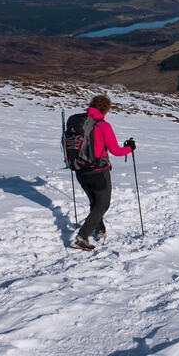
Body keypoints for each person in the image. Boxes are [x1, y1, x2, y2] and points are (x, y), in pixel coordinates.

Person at [73, 94, 135, 250]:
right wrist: (130, 147)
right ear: (106, 109)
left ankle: (100, 230)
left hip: (80, 170)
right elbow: (115, 150)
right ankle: (82, 236)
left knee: (95, 203)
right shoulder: (103, 125)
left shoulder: (78, 122)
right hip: (99, 172)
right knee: (103, 204)